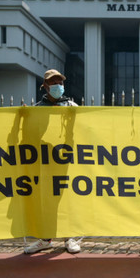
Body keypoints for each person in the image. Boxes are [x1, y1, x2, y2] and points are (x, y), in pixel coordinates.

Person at [24, 69, 82, 255]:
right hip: (45, 162)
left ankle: (69, 237)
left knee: (67, 199)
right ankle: (45, 239)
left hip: (67, 161)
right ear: (45, 86)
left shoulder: (72, 105)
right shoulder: (37, 109)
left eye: (60, 82)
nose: (58, 86)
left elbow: (82, 130)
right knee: (46, 201)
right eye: (53, 82)